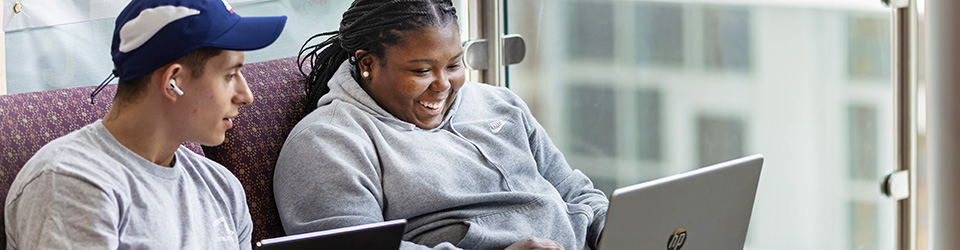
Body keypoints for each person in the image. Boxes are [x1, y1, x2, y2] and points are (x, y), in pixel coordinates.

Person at [273, 0, 607, 249]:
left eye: (454, 64)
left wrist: (615, 228)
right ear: (368, 65)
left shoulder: (500, 104)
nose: (443, 84)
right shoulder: (328, 142)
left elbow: (575, 191)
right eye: (421, 71)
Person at [3, 0, 286, 249]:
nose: (246, 96)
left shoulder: (221, 187)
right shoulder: (69, 184)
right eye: (230, 75)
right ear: (173, 82)